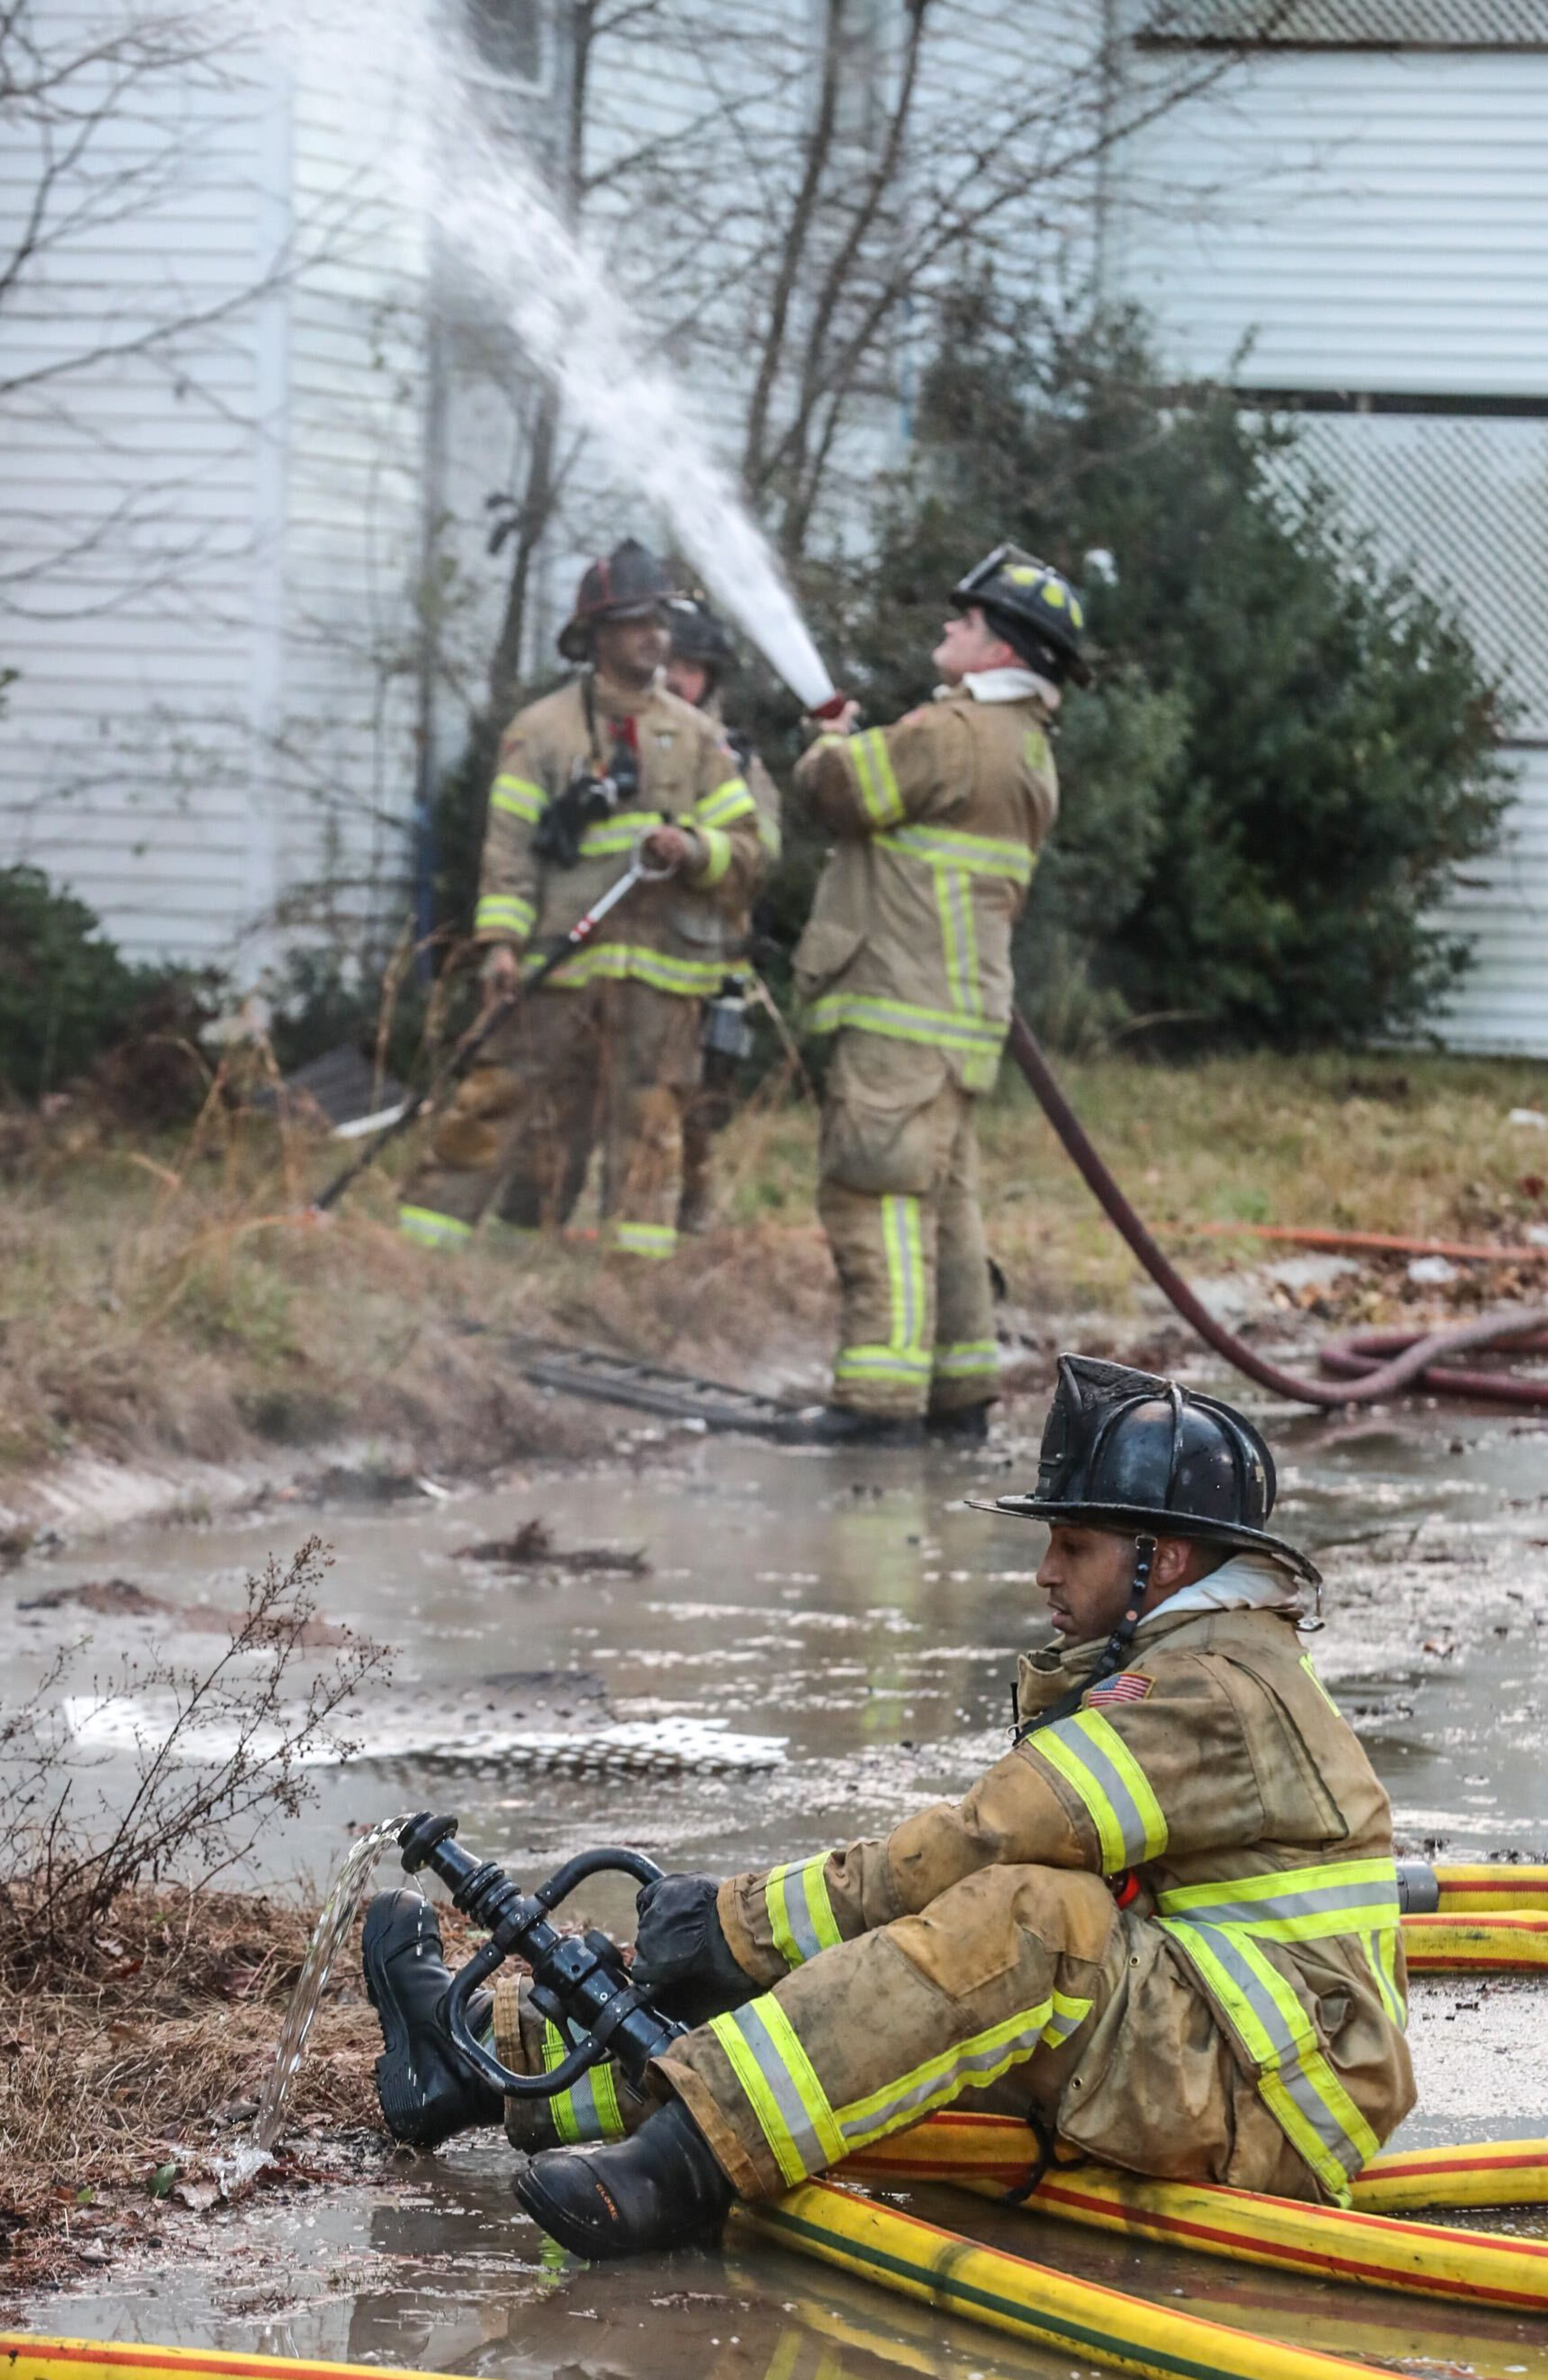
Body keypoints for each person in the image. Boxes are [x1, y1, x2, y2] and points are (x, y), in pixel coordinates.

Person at [360, 1356, 1414, 2260]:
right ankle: (472, 2065)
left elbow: (985, 1840)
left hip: (1271, 2096)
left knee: (1026, 1925)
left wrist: (734, 1923)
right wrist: (753, 1939)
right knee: (874, 1991)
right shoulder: (1190, 1663)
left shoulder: (1209, 1693)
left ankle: (685, 2172)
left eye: (1075, 1545)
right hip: (1208, 2056)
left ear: (1165, 1558)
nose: (1044, 1572)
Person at [782, 545, 1085, 1448]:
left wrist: (829, 736)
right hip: (956, 1018)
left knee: (874, 1195)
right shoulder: (1023, 747)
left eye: (968, 620)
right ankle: (959, 1394)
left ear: (1002, 651)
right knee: (946, 1209)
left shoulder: (954, 734)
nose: (950, 627)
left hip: (901, 1010)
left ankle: (877, 1404)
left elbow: (839, 792)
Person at [396, 540, 764, 1260]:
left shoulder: (699, 739)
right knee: (499, 1097)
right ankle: (426, 1251)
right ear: (596, 635)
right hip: (557, 959)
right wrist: (501, 946)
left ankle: (634, 1275)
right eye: (635, 622)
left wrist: (693, 849)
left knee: (652, 1117)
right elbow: (508, 848)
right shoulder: (541, 733)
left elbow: (747, 849)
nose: (653, 635)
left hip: (661, 968)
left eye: (658, 621)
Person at [663, 596, 783, 1235]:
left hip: (708, 957)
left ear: (710, 678)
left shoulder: (734, 760)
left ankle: (692, 1216)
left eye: (689, 668)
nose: (675, 679)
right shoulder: (614, 739)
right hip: (622, 949)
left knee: (697, 1105)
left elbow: (763, 853)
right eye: (668, 664)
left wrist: (695, 847)